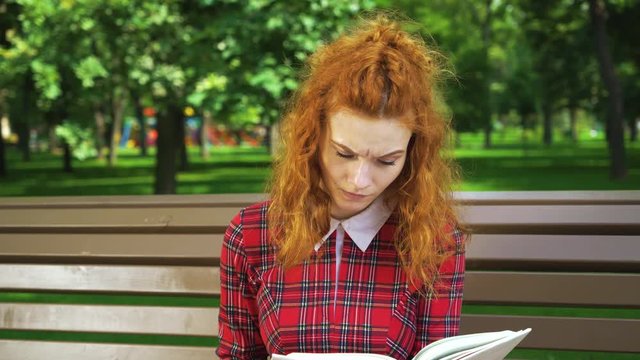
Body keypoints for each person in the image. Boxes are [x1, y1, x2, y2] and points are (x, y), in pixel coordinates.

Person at [217, 14, 466, 360]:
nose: (360, 180)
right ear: (313, 135)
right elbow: (237, 355)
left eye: (386, 160)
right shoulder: (251, 235)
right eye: (344, 153)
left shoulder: (432, 239)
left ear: (413, 153)